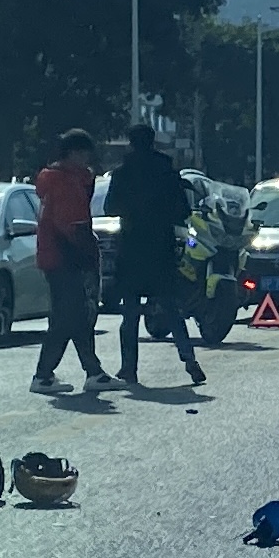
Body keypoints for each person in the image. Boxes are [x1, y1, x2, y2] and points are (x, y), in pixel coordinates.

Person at [106, 122, 205, 388]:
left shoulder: (122, 174)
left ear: (131, 143)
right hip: (160, 249)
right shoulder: (167, 173)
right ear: (153, 142)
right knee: (171, 309)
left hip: (131, 249)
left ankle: (129, 368)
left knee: (130, 314)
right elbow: (183, 212)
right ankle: (190, 361)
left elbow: (110, 207)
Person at [29, 128, 111, 393]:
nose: (87, 159)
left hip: (55, 255)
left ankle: (92, 371)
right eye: (83, 153)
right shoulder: (64, 182)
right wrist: (87, 254)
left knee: (74, 317)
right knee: (70, 317)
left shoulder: (57, 179)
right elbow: (72, 225)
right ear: (73, 153)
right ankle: (45, 374)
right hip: (66, 256)